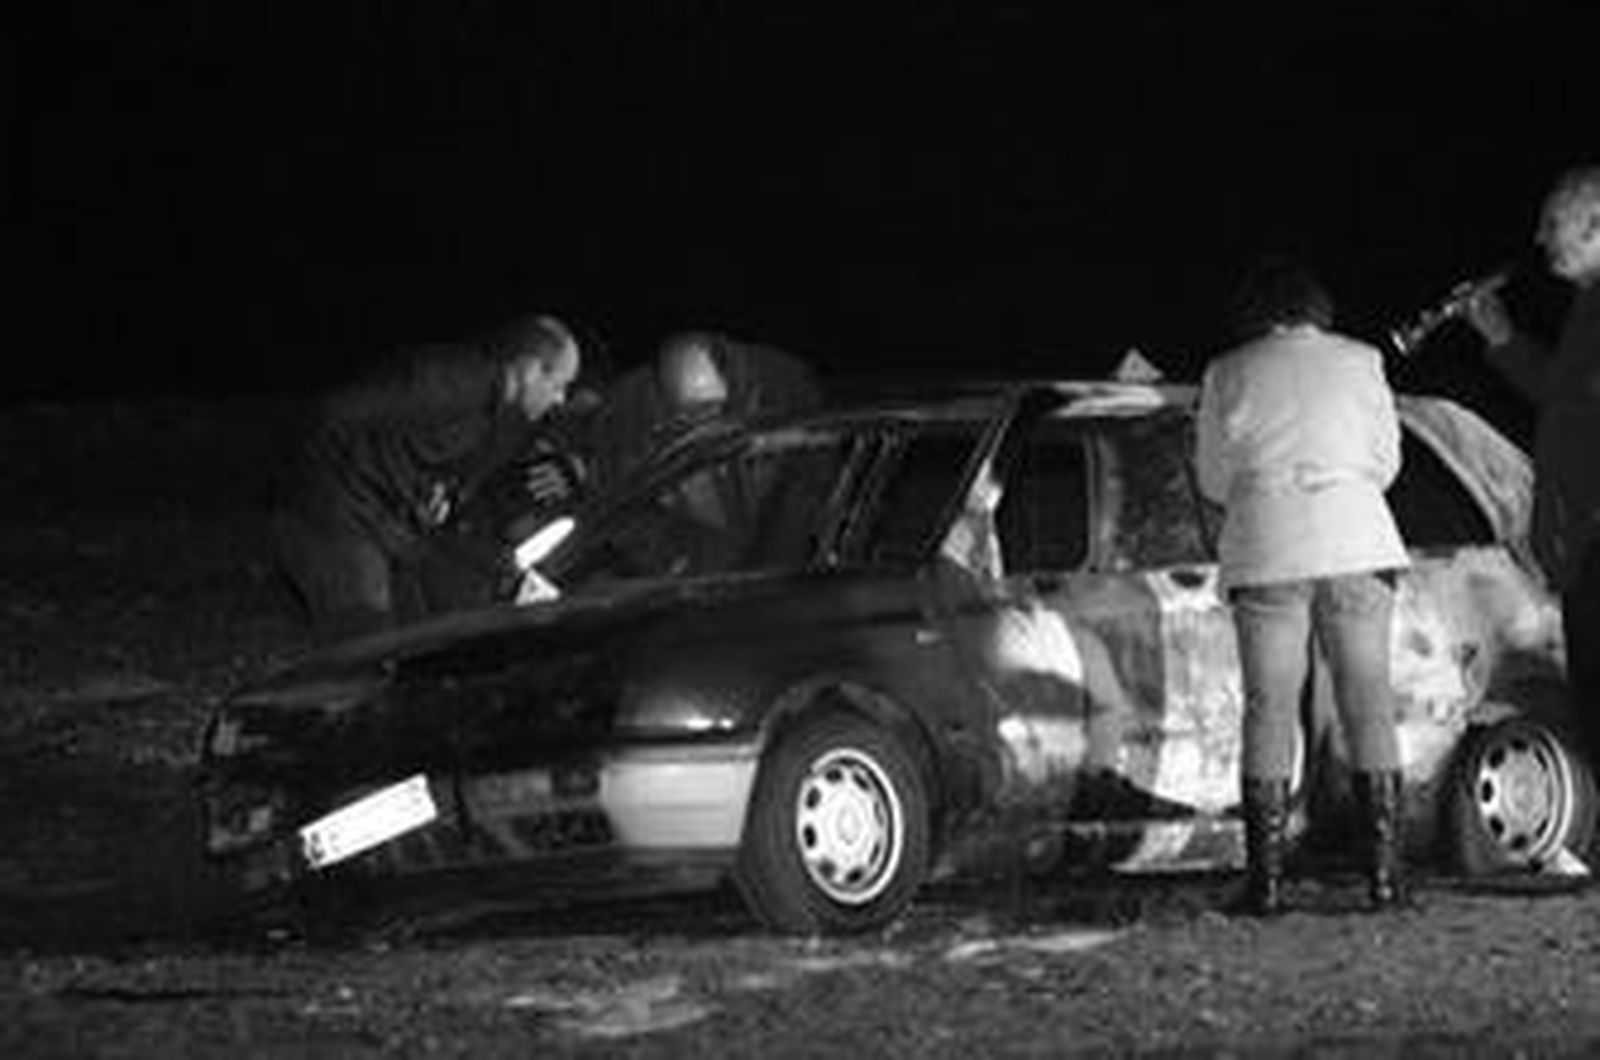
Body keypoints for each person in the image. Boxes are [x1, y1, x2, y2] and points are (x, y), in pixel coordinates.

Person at [1195, 256, 1411, 915]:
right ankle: (1383, 880)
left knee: (1270, 708)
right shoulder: (1363, 360)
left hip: (1268, 548)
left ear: (1255, 313)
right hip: (1356, 541)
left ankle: (1264, 885)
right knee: (1368, 703)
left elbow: (1211, 477)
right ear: (1318, 308)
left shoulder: (1227, 371)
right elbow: (1386, 461)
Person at [272, 313, 582, 642]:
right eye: (559, 384)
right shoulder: (451, 380)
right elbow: (334, 414)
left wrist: (434, 491)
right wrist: (357, 500)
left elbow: (424, 457)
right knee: (364, 646)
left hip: (386, 524)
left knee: (423, 633)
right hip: (334, 517)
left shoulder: (496, 415)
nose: (560, 398)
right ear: (531, 371)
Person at [1462, 164, 1600, 780]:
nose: (1541, 238)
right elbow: (1563, 397)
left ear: (1596, 224)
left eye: (1553, 223)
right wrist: (1501, 338)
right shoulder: (1586, 309)